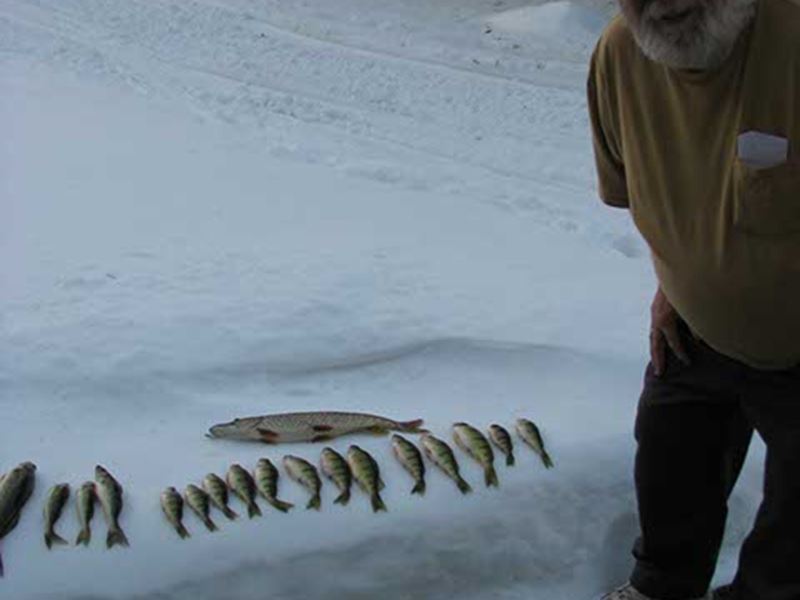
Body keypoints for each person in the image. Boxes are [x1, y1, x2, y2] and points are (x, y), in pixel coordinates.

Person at [587, 0, 800, 599]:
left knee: (789, 552)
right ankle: (660, 588)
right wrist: (672, 288)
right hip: (698, 327)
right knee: (669, 469)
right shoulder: (619, 56)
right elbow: (661, 194)